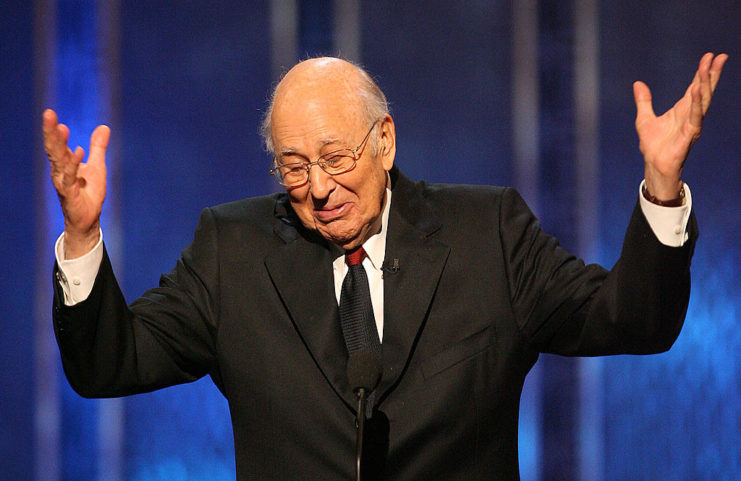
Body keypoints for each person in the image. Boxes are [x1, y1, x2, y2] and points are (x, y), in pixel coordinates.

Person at [44, 53, 727, 480]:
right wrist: (81, 234)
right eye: (293, 166)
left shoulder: (485, 232)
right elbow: (109, 364)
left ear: (385, 140)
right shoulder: (233, 249)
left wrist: (661, 186)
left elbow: (631, 319)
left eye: (335, 157)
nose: (317, 186)